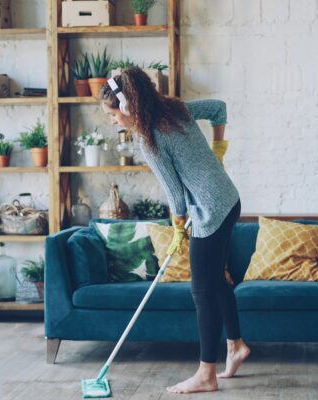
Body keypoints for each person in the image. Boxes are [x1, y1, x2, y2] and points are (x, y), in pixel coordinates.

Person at [99, 67, 251, 394]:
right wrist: (218, 148)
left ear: (128, 107)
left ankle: (206, 373)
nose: (112, 121)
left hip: (210, 211)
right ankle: (236, 345)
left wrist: (177, 228)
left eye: (112, 114)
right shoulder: (176, 109)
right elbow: (218, 109)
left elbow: (175, 196)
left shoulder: (149, 139)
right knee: (216, 278)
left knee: (201, 291)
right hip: (228, 199)